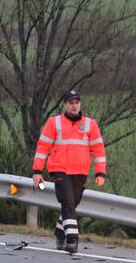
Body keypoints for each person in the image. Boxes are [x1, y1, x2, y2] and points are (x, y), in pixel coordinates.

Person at [32, 89, 107, 253]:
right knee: (68, 203)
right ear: (65, 105)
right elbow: (42, 147)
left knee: (72, 205)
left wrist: (100, 172)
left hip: (80, 171)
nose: (74, 106)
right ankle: (72, 240)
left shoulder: (90, 124)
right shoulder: (54, 122)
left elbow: (99, 150)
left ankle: (59, 233)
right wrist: (37, 171)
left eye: (77, 102)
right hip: (59, 169)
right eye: (71, 103)